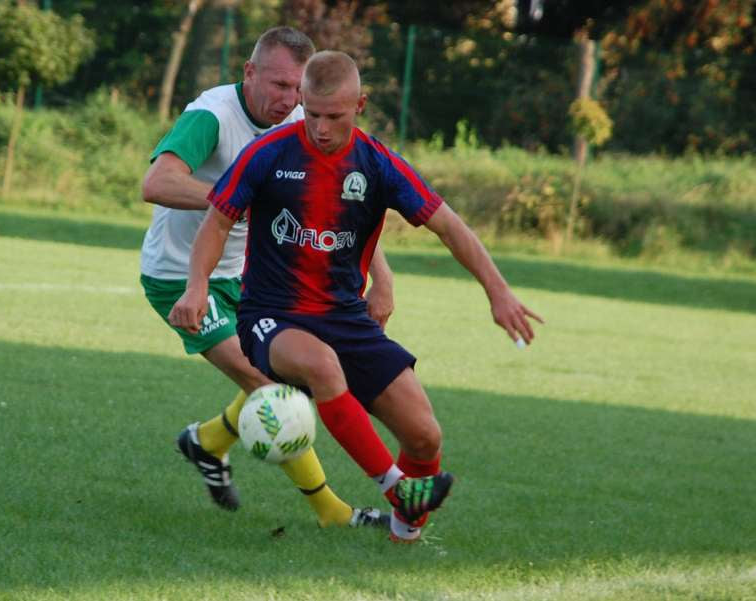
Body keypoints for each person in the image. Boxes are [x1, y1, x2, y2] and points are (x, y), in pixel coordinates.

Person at [168, 50, 544, 542]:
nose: (321, 128)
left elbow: (449, 226)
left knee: (425, 434)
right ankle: (396, 492)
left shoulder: (378, 163)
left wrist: (499, 293)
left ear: (360, 104)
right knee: (321, 366)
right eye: (314, 113)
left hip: (346, 316)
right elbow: (218, 220)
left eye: (335, 116)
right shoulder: (269, 154)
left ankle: (404, 536)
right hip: (271, 316)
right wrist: (197, 287)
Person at [140, 28, 393, 529]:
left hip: (256, 279)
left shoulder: (307, 122)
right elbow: (157, 181)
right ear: (249, 73)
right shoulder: (211, 115)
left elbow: (346, 203)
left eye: (295, 88)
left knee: (293, 377)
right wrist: (238, 198)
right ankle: (333, 513)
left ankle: (207, 442)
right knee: (269, 388)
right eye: (277, 84)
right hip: (181, 276)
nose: (286, 100)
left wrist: (380, 277)